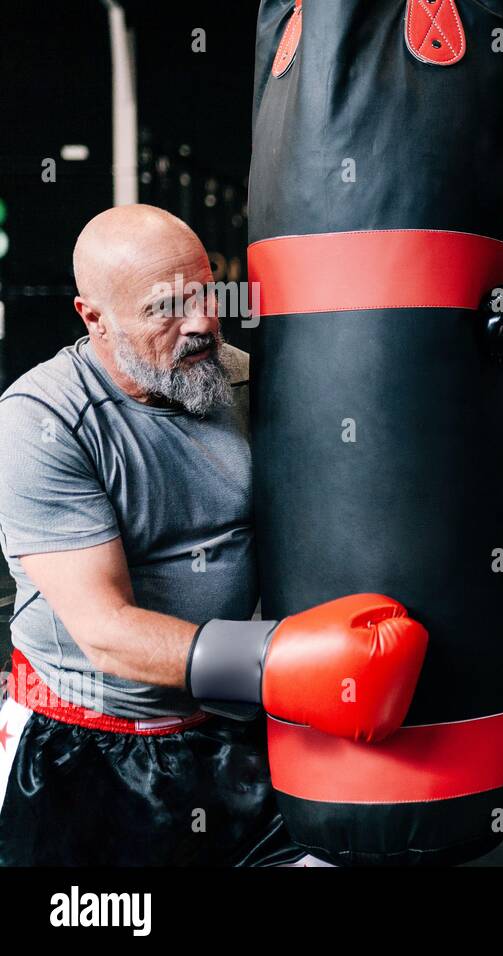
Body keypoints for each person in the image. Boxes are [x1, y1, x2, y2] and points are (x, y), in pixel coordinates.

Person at [0, 205, 425, 865]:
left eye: (206, 292)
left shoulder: (242, 381)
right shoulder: (43, 423)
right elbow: (107, 631)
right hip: (83, 744)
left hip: (228, 723)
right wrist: (283, 663)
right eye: (167, 307)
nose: (201, 322)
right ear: (94, 318)